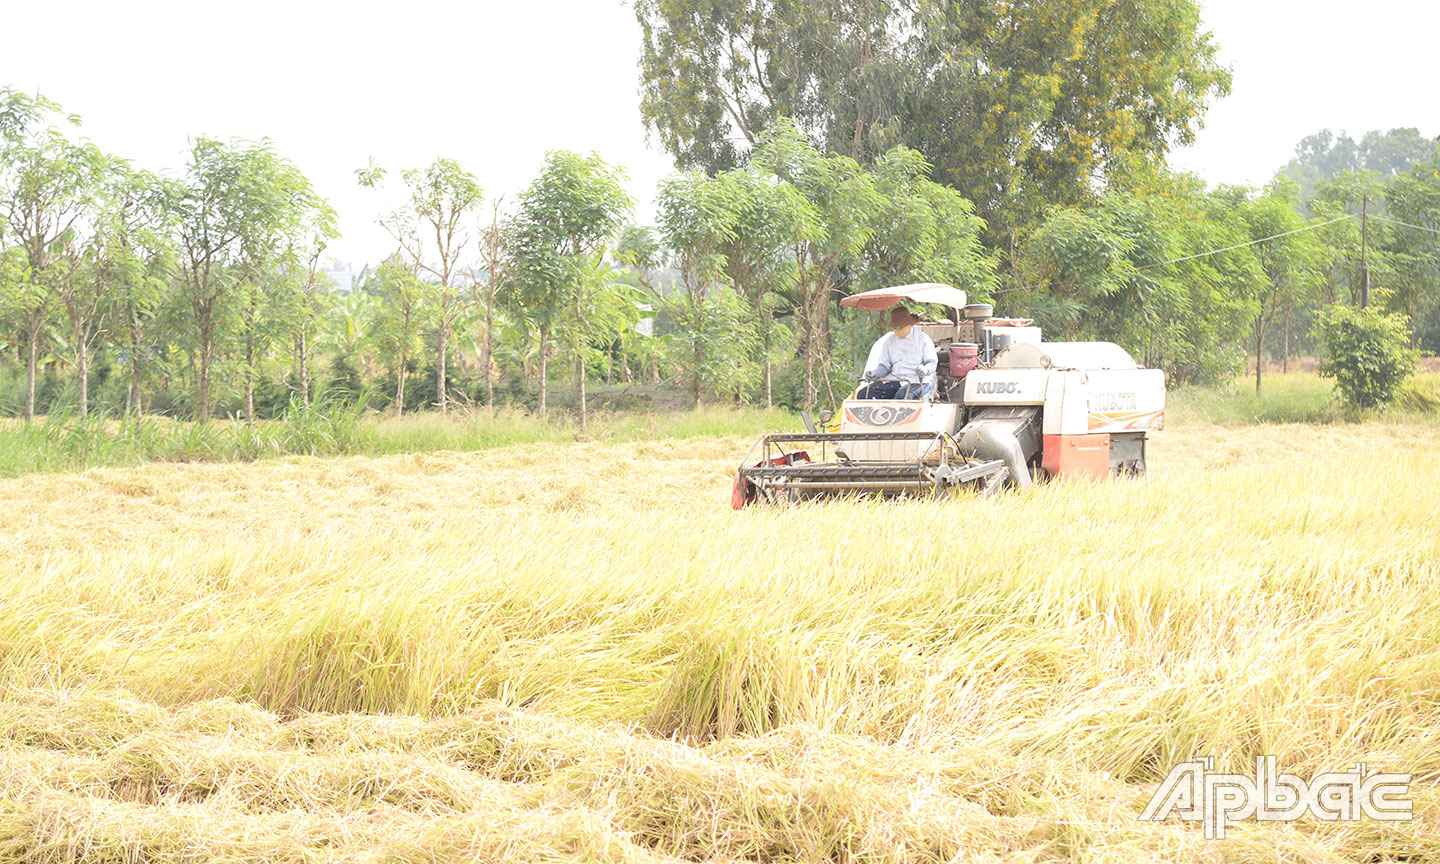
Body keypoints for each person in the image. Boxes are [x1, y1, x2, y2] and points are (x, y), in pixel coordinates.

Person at [862, 306, 937, 399]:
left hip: (917, 381)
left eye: (901, 326)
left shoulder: (923, 339)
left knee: (902, 397)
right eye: (895, 327)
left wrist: (925, 369)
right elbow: (885, 366)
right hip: (894, 379)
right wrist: (875, 373)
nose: (898, 329)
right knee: (863, 394)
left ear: (910, 324)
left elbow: (932, 363)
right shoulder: (889, 341)